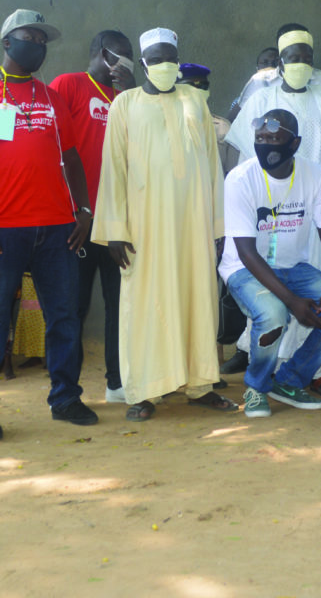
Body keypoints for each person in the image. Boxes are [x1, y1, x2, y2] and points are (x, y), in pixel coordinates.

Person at [92, 27, 236, 421]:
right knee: (144, 306)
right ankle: (144, 390)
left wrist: (219, 227)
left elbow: (212, 168)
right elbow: (114, 169)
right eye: (155, 59)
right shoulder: (125, 104)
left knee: (196, 300)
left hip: (194, 226)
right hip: (144, 228)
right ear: (142, 64)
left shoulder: (195, 101)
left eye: (169, 57)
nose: (164, 65)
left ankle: (200, 384)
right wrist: (115, 231)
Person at [224, 26, 321, 395]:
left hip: (318, 213)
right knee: (274, 305)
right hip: (273, 223)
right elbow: (247, 158)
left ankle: (312, 372)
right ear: (281, 61)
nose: (299, 63)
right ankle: (266, 376)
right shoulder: (260, 100)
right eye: (292, 57)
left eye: (306, 57)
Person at [220, 109, 321, 418]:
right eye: (261, 139)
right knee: (273, 313)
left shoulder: (315, 174)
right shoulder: (240, 179)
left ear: (294, 144)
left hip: (292, 267)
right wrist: (292, 300)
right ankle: (256, 387)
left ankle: (289, 380)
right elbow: (245, 251)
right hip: (244, 268)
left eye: (275, 138)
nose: (266, 144)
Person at [0, 8, 98, 434]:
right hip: (7, 226)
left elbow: (72, 157)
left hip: (58, 226)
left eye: (42, 41)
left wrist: (84, 210)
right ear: (7, 43)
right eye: (28, 38)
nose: (37, 46)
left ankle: (65, 398)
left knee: (63, 316)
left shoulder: (52, 97)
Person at [50, 30, 136, 403]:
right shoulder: (68, 85)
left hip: (118, 221)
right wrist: (72, 208)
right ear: (104, 55)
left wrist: (133, 91)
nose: (129, 65)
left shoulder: (130, 98)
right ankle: (69, 392)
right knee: (75, 306)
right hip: (78, 222)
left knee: (120, 304)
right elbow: (53, 146)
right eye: (125, 57)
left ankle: (116, 383)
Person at [228, 25, 321, 122]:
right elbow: (235, 119)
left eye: (307, 60)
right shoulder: (260, 81)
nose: (301, 65)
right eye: (294, 59)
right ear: (280, 61)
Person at [178, 62, 238, 174]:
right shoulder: (165, 123)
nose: (198, 90)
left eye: (203, 86)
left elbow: (231, 172)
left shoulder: (223, 127)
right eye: (190, 86)